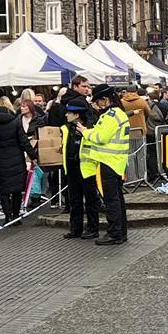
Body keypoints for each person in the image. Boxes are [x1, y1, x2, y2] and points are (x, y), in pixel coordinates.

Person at [77, 84, 130, 245]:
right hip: (117, 162)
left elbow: (101, 137)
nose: (97, 105)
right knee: (118, 199)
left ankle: (114, 233)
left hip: (108, 162)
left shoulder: (110, 116)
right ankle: (120, 232)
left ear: (104, 99)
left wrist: (85, 131)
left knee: (111, 200)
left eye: (98, 101)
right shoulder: (118, 114)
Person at [0, 97, 38, 226]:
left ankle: (7, 217)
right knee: (16, 190)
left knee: (3, 191)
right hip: (16, 158)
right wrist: (33, 156)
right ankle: (16, 217)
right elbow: (24, 141)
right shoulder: (15, 121)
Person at [60, 98, 101, 239]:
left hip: (87, 169)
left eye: (69, 113)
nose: (66, 115)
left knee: (91, 201)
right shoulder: (66, 129)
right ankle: (75, 228)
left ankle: (92, 228)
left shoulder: (90, 129)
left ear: (77, 115)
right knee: (75, 201)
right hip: (71, 169)